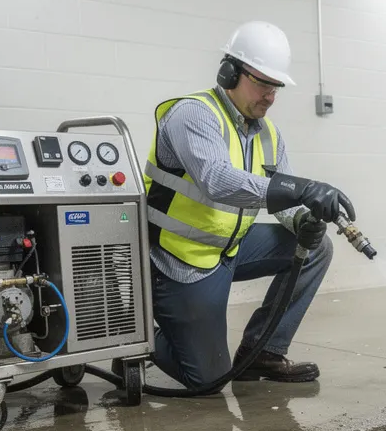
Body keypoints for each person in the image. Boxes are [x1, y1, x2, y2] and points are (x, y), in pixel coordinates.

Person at [141, 21, 355, 386]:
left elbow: (284, 202)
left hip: (229, 249)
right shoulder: (193, 114)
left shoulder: (269, 134)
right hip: (180, 258)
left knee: (316, 247)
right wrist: (302, 188)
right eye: (262, 83)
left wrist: (302, 219)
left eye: (276, 87)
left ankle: (263, 352)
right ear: (229, 73)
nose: (270, 96)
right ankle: (132, 340)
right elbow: (217, 180)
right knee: (208, 380)